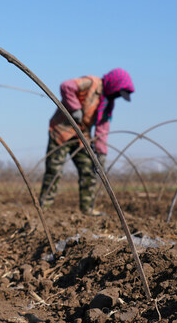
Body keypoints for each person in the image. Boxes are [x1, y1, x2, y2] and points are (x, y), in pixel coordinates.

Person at [38, 68, 134, 214]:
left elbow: (102, 128)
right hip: (62, 131)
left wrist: (101, 154)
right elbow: (66, 86)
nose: (116, 97)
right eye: (117, 93)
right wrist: (75, 108)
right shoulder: (92, 83)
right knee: (54, 170)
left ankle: (87, 210)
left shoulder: (108, 103)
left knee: (89, 170)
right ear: (114, 84)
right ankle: (43, 209)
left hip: (81, 136)